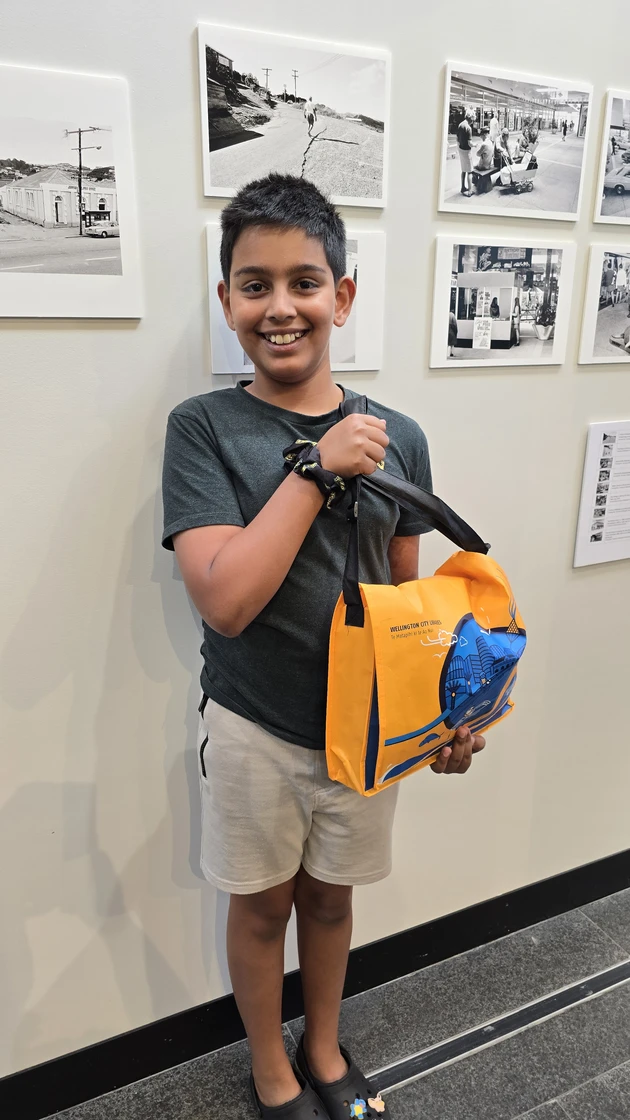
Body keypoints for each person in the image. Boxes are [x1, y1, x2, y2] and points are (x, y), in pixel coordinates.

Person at [162, 173, 487, 1120]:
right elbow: (225, 601)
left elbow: (405, 603)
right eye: (253, 285)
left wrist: (443, 720)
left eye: (305, 281)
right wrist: (313, 468)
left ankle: (328, 1047)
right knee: (263, 906)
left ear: (342, 297)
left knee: (334, 903)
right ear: (227, 303)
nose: (281, 306)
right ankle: (271, 1068)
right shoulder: (205, 429)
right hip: (257, 721)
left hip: (367, 724)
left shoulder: (401, 437)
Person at [457, 108, 475, 196]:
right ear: (470, 117)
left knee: (463, 170)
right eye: (473, 119)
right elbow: (470, 143)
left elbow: (457, 139)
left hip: (460, 149)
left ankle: (463, 187)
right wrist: (475, 145)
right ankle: (470, 191)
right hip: (466, 151)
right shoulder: (468, 127)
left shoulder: (460, 125)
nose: (473, 121)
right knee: (470, 171)